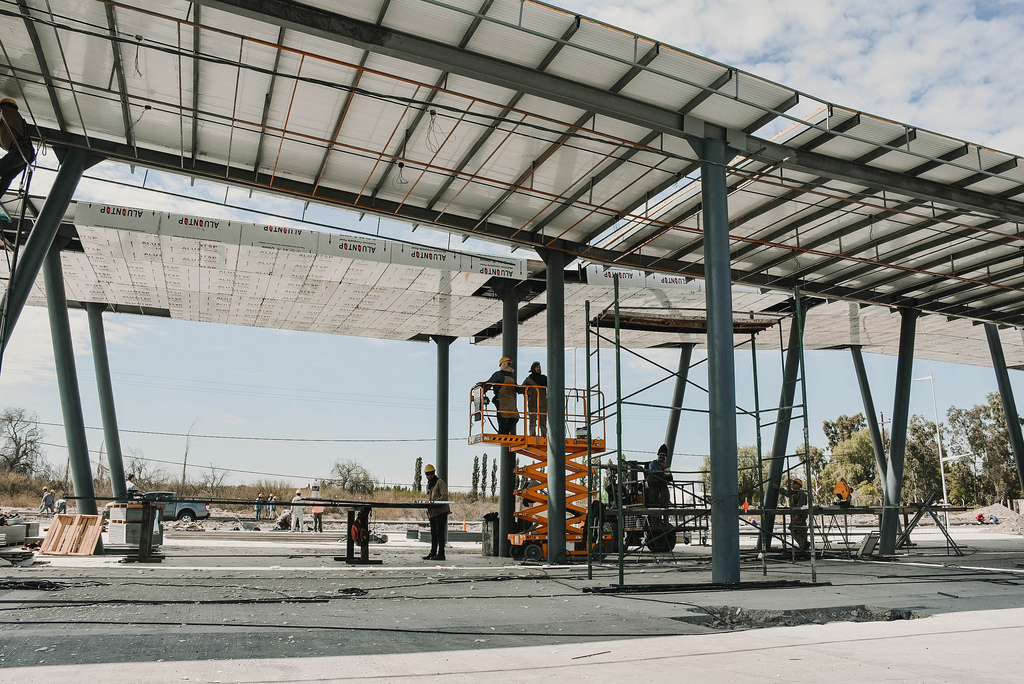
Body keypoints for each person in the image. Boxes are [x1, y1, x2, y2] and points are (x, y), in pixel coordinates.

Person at [0, 98, 35, 202]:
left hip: (19, 152)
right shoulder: (14, 119)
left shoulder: (5, 111)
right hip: (26, 155)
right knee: (6, 178)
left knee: (5, 176)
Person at [478, 357, 519, 435]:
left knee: (515, 418)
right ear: (504, 364)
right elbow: (489, 383)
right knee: (502, 419)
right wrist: (484, 387)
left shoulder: (511, 377)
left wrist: (525, 390)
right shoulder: (498, 374)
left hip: (510, 402)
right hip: (500, 400)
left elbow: (516, 388)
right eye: (509, 364)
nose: (510, 366)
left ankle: (502, 433)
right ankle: (502, 434)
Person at [423, 463, 450, 561]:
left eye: (431, 473)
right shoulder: (429, 485)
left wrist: (434, 503)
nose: (429, 476)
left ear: (434, 473)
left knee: (440, 533)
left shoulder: (440, 482)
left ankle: (441, 553)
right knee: (434, 533)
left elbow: (444, 496)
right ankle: (433, 552)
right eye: (428, 474)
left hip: (441, 511)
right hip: (432, 512)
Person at [774, 478, 809, 550]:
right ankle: (804, 546)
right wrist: (778, 488)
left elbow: (800, 505)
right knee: (800, 531)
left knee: (795, 531)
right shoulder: (793, 493)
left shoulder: (802, 494)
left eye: (795, 483)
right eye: (793, 483)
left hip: (800, 516)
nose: (793, 484)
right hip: (795, 515)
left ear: (799, 485)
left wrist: (797, 515)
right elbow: (786, 492)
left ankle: (804, 544)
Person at [521, 361, 548, 438]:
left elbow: (552, 386)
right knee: (532, 422)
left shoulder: (544, 379)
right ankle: (532, 436)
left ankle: (544, 436)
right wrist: (527, 392)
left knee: (543, 422)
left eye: (539, 367)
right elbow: (521, 389)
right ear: (533, 369)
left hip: (542, 404)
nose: (539, 368)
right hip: (532, 404)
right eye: (537, 367)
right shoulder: (528, 379)